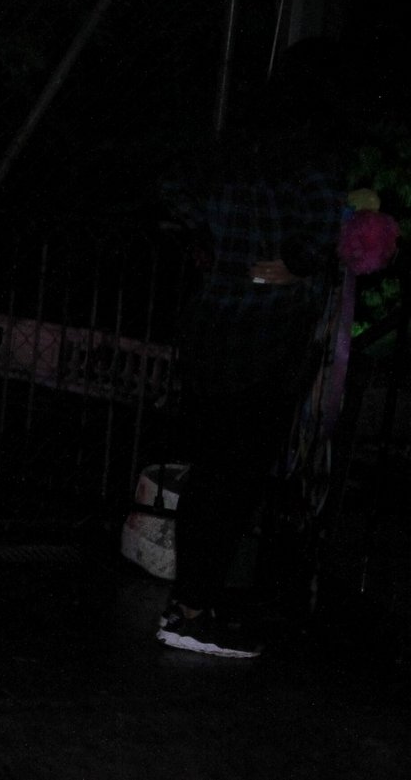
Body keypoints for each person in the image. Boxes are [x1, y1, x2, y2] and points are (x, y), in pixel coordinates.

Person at [156, 43, 348, 658]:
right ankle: (191, 611)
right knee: (234, 477)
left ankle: (191, 602)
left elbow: (174, 197)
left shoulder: (232, 151)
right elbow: (317, 236)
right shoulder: (309, 159)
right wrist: (280, 272)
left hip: (211, 327)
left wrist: (213, 255)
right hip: (267, 334)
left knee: (212, 469)